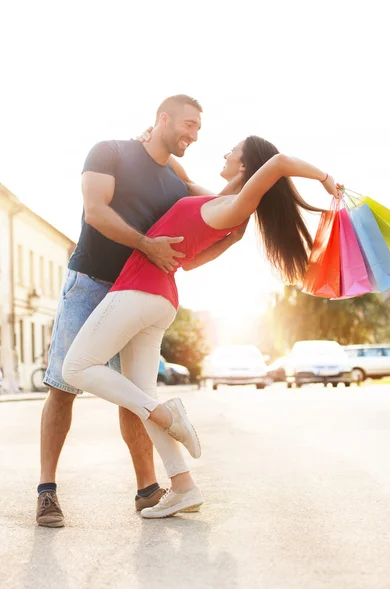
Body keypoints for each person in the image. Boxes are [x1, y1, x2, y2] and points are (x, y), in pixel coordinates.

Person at [62, 135, 339, 519]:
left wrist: (324, 177)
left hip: (138, 291)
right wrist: (152, 139)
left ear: (245, 166)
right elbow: (189, 259)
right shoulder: (222, 204)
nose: (225, 152)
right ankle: (184, 487)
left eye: (233, 150)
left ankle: (166, 415)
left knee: (75, 368)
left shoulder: (234, 207)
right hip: (161, 298)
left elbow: (276, 164)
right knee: (143, 392)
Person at [36, 94, 247, 528]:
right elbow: (96, 212)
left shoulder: (176, 175)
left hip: (138, 292)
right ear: (162, 118)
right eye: (188, 124)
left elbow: (222, 206)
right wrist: (147, 245)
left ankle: (149, 488)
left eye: (198, 129)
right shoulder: (110, 151)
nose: (193, 135)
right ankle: (47, 491)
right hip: (91, 282)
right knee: (63, 385)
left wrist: (253, 195)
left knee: (132, 392)